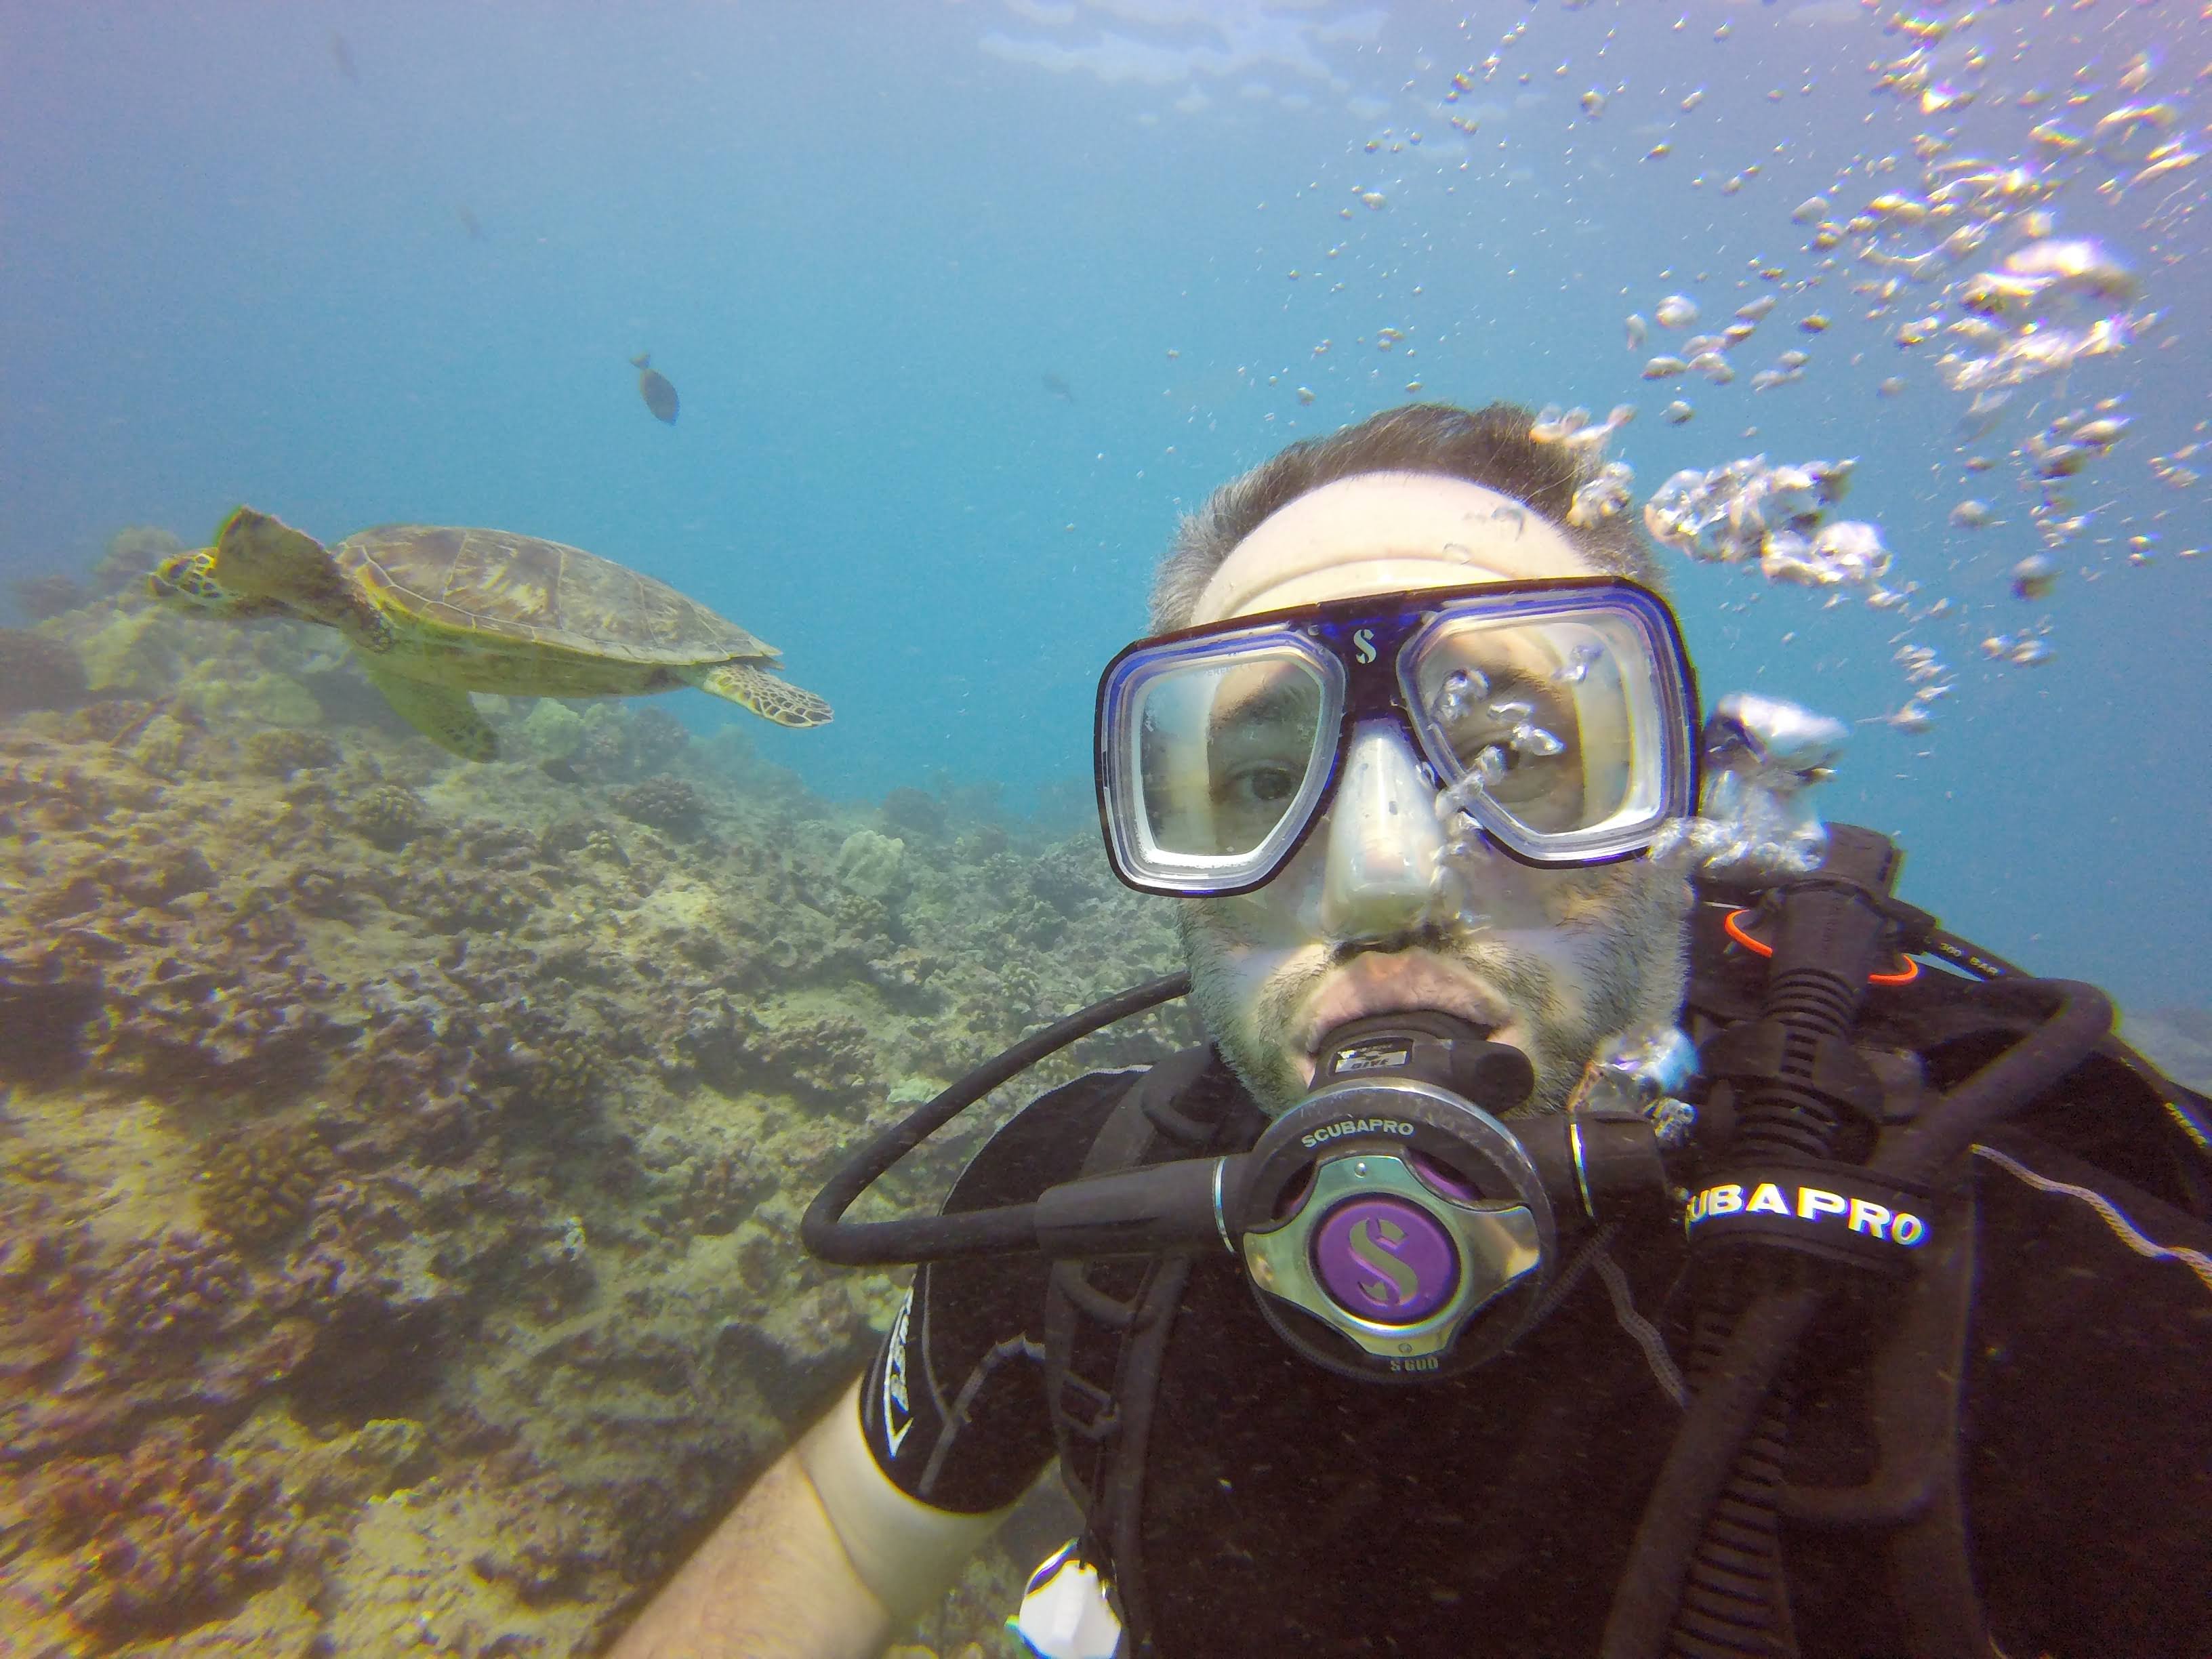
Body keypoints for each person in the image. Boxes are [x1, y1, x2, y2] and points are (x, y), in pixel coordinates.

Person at [612, 404, 2212, 1659]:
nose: (1388, 873)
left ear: (1680, 814)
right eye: (1258, 780)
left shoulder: (2038, 1304)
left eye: (1517, 754)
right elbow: (841, 1538)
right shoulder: (1081, 1217)